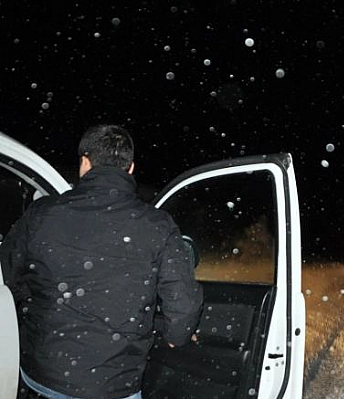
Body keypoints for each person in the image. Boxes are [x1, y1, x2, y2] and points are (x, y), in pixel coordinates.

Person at [0, 125, 203, 399]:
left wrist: (34, 309)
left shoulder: (41, 213)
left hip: (42, 376)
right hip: (114, 385)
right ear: (130, 168)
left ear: (85, 162)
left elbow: (8, 275)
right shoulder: (158, 225)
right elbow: (183, 307)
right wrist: (174, 335)